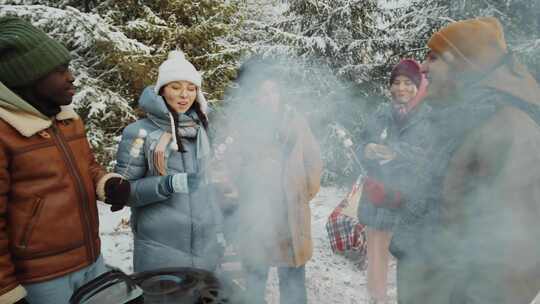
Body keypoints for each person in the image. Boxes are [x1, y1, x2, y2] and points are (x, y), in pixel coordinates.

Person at [390, 17, 540, 304]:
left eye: (433, 58)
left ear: (463, 66)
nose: (422, 67)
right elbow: (449, 208)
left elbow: (518, 258)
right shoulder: (457, 124)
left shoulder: (511, 132)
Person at [0, 17, 130, 304]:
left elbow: (88, 166)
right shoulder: (5, 131)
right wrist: (6, 292)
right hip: (41, 279)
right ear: (27, 76)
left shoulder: (69, 121)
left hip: (91, 260)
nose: (71, 77)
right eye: (59, 71)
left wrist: (106, 183)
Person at [220, 57, 322, 304]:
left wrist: (300, 194)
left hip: (291, 217)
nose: (268, 98)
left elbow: (314, 162)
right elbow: (229, 170)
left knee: (293, 283)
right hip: (256, 217)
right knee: (255, 280)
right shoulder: (241, 126)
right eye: (261, 93)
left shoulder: (294, 120)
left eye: (273, 91)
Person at [114, 50, 222, 272]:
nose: (184, 95)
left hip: (205, 248)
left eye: (191, 89)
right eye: (176, 87)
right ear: (162, 90)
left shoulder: (203, 132)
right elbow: (122, 192)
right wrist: (168, 184)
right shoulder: (140, 133)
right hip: (159, 250)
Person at [356, 59, 430, 304]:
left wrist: (396, 152)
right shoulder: (380, 113)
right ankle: (377, 300)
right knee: (377, 263)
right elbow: (360, 144)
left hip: (410, 203)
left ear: (418, 85)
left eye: (408, 83)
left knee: (409, 266)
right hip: (379, 199)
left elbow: (431, 155)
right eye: (396, 83)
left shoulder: (429, 116)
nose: (401, 88)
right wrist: (366, 149)